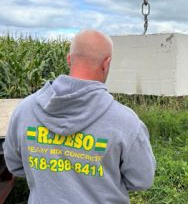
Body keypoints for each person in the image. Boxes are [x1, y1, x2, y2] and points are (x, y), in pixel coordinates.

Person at [4, 29, 156, 204]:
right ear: (107, 63)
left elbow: (15, 166)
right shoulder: (126, 122)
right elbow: (142, 180)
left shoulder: (25, 110)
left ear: (69, 59)